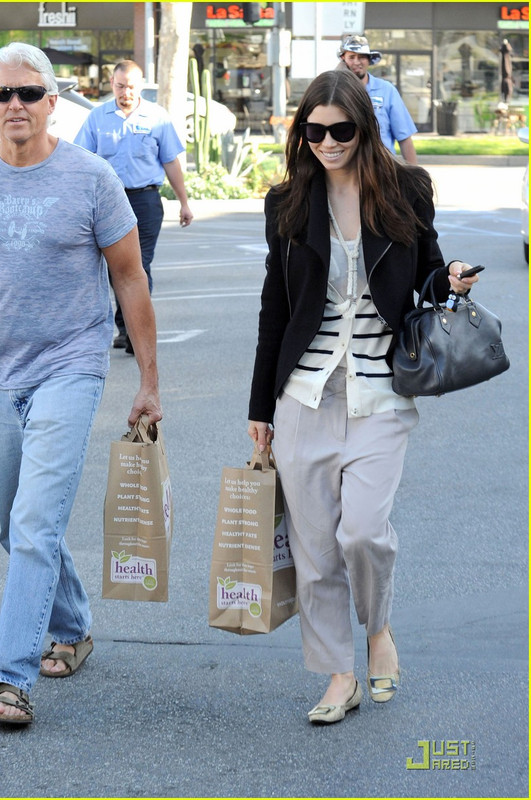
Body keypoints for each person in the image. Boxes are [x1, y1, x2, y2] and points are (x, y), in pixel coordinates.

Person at [0, 42, 162, 726]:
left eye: (29, 93)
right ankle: (73, 623)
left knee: (32, 522)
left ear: (53, 102)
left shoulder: (89, 179)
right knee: (18, 525)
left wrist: (148, 379)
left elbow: (129, 277)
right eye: (2, 95)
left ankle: (10, 676)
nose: (15, 105)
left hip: (71, 364)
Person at [247, 69, 480, 725]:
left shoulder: (404, 192)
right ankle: (337, 675)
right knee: (316, 546)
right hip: (303, 394)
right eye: (313, 131)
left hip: (380, 389)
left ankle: (377, 629)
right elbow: (273, 310)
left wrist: (450, 280)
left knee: (361, 534)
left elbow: (428, 272)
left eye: (339, 130)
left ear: (362, 127)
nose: (326, 142)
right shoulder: (287, 202)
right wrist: (259, 408)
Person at [75, 60, 193, 353]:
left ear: (140, 86)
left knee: (140, 265)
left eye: (130, 86)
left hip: (145, 200)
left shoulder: (157, 117)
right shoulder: (97, 117)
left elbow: (170, 161)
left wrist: (184, 202)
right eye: (119, 86)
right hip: (108, 201)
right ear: (111, 84)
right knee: (115, 267)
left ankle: (133, 331)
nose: (124, 92)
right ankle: (124, 326)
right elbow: (81, 160)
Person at [337, 35, 418, 164]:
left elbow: (404, 137)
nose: (357, 62)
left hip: (383, 168)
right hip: (348, 169)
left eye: (362, 57)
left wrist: (415, 178)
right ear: (343, 60)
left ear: (369, 59)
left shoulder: (386, 90)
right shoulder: (336, 91)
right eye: (351, 57)